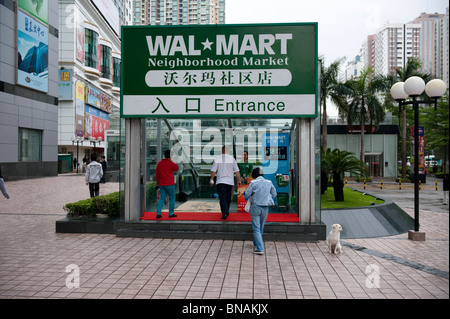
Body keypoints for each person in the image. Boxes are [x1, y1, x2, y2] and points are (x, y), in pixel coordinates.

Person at [244, 167, 277, 255]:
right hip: (265, 207)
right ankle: (256, 243)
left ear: (254, 175)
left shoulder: (253, 183)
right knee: (260, 227)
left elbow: (247, 194)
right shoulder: (269, 182)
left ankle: (260, 248)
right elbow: (274, 194)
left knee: (256, 228)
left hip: (255, 207)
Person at [210, 146, 242, 219]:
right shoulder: (232, 159)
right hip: (230, 182)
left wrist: (211, 179)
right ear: (228, 151)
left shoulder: (218, 158)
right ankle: (226, 211)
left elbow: (213, 171)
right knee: (228, 197)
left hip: (220, 181)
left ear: (222, 150)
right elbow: (237, 171)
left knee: (222, 198)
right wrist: (239, 180)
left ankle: (225, 212)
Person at [156, 149, 179, 218]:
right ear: (171, 156)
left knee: (162, 198)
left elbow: (157, 175)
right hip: (169, 184)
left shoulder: (159, 163)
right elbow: (177, 168)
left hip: (162, 184)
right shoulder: (170, 163)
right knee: (172, 198)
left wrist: (158, 184)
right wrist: (172, 161)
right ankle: (171, 213)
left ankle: (158, 213)